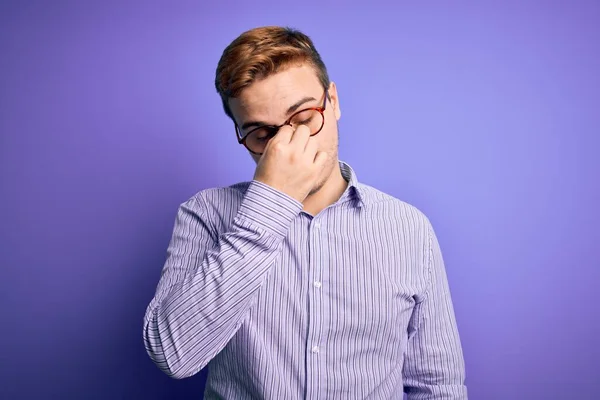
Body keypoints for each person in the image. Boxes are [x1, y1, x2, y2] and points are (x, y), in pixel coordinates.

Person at [143, 25, 467, 399]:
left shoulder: (409, 228)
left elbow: (437, 385)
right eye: (262, 134)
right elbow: (173, 355)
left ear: (333, 101)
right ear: (240, 132)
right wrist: (271, 200)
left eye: (304, 117)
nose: (287, 145)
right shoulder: (206, 214)